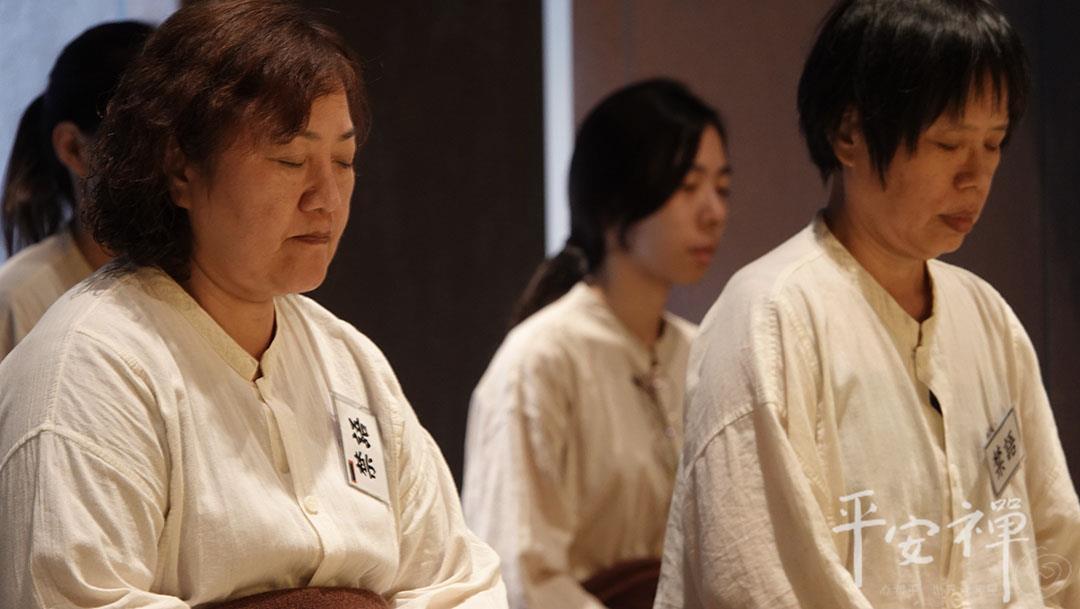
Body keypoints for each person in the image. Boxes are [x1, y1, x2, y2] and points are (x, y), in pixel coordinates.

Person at [0, 2, 506, 607]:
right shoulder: (91, 368)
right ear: (180, 169)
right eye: (290, 160)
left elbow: (460, 582)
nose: (326, 198)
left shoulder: (351, 363)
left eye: (343, 161)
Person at [654, 1, 1080, 608]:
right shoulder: (770, 317)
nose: (976, 176)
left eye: (993, 143)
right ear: (848, 133)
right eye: (948, 143)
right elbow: (762, 582)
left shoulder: (986, 317)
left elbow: (1053, 541)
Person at [462, 78, 731, 609]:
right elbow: (519, 576)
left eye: (722, 188)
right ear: (613, 203)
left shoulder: (702, 352)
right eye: (687, 186)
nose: (713, 212)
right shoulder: (542, 359)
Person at [0, 21, 152, 360]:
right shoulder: (19, 300)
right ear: (73, 148)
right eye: (145, 139)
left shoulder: (210, 279)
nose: (173, 162)